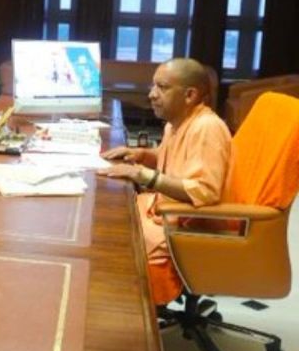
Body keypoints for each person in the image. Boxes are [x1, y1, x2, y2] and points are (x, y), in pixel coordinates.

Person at [97, 58, 231, 305]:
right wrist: (141, 154)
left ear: (190, 95)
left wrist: (144, 175)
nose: (151, 94)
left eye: (162, 87)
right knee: (106, 217)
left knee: (112, 241)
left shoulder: (207, 128)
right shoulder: (176, 123)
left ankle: (126, 315)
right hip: (161, 209)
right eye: (153, 86)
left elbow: (204, 191)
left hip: (186, 224)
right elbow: (171, 158)